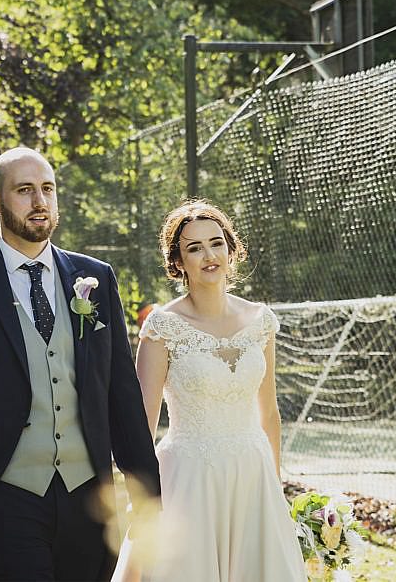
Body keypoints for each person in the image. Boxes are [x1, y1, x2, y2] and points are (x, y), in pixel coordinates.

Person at [0, 147, 161, 581]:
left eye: (47, 189)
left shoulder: (95, 278)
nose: (39, 202)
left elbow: (121, 395)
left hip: (87, 499)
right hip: (2, 498)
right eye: (24, 190)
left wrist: (148, 498)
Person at [113, 200, 306, 582]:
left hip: (253, 476)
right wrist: (142, 499)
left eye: (216, 243)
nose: (208, 255)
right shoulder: (162, 328)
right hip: (188, 478)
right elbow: (141, 425)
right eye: (194, 248)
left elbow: (268, 413)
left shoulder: (260, 321)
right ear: (178, 262)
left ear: (231, 250)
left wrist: (276, 486)